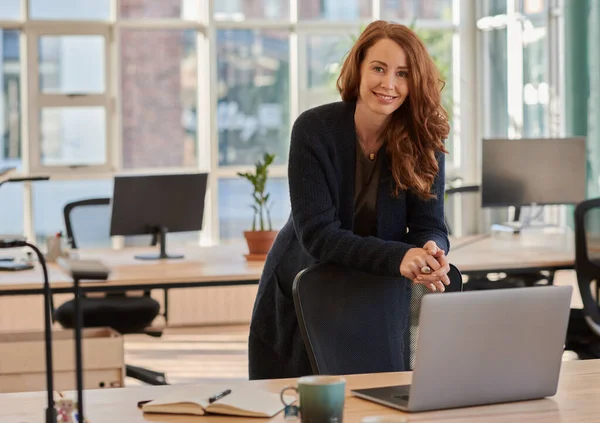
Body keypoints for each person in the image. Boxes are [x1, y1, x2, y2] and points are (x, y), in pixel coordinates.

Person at [248, 20, 451, 380]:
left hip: (377, 292)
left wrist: (431, 250)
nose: (389, 84)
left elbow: (429, 224)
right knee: (305, 402)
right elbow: (318, 235)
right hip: (309, 285)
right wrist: (400, 257)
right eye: (378, 68)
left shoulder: (424, 141)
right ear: (357, 68)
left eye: (402, 73)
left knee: (379, 396)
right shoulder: (313, 130)